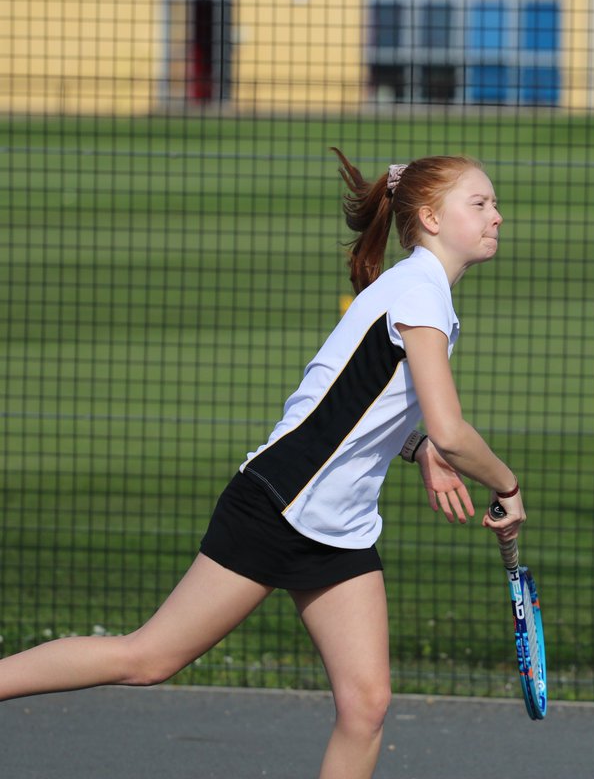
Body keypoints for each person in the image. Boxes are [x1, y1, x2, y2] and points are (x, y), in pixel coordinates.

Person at [0, 149, 527, 779]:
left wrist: (416, 449)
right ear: (431, 218)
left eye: (494, 203)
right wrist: (506, 484)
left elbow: (346, 400)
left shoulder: (417, 289)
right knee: (147, 659)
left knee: (366, 706)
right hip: (279, 504)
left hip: (339, 523)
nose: (497, 215)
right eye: (480, 203)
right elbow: (452, 429)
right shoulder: (419, 291)